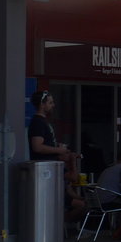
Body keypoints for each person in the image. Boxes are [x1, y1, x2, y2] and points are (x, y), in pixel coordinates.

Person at [28, 89, 85, 228]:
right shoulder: (38, 123)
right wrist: (59, 150)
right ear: (42, 104)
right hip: (45, 173)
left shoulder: (43, 122)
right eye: (50, 102)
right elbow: (37, 147)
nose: (53, 105)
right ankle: (60, 223)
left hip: (51, 172)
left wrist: (59, 149)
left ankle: (58, 225)